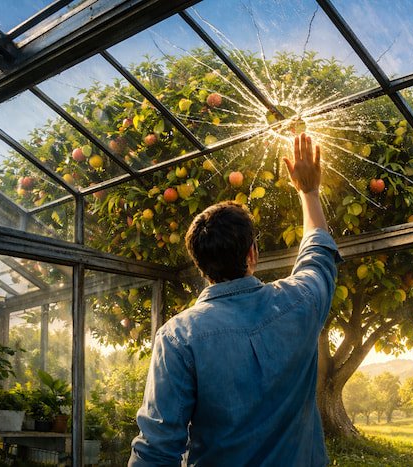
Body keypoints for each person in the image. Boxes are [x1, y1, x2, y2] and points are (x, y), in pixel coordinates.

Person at [128, 133, 340, 466]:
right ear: (252, 254)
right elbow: (318, 254)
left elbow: (156, 450)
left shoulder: (178, 337)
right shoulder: (301, 303)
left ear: (201, 267)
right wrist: (309, 192)